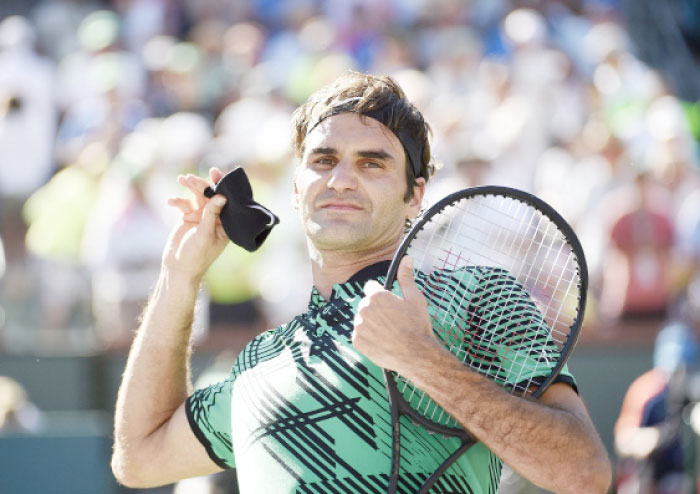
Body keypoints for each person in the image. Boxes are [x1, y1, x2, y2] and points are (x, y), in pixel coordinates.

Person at [112, 71, 611, 494]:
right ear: (296, 187)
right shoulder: (260, 361)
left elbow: (583, 472)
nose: (341, 179)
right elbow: (139, 457)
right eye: (323, 161)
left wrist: (423, 360)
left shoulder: (481, 295)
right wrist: (179, 276)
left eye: (372, 163)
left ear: (415, 195)